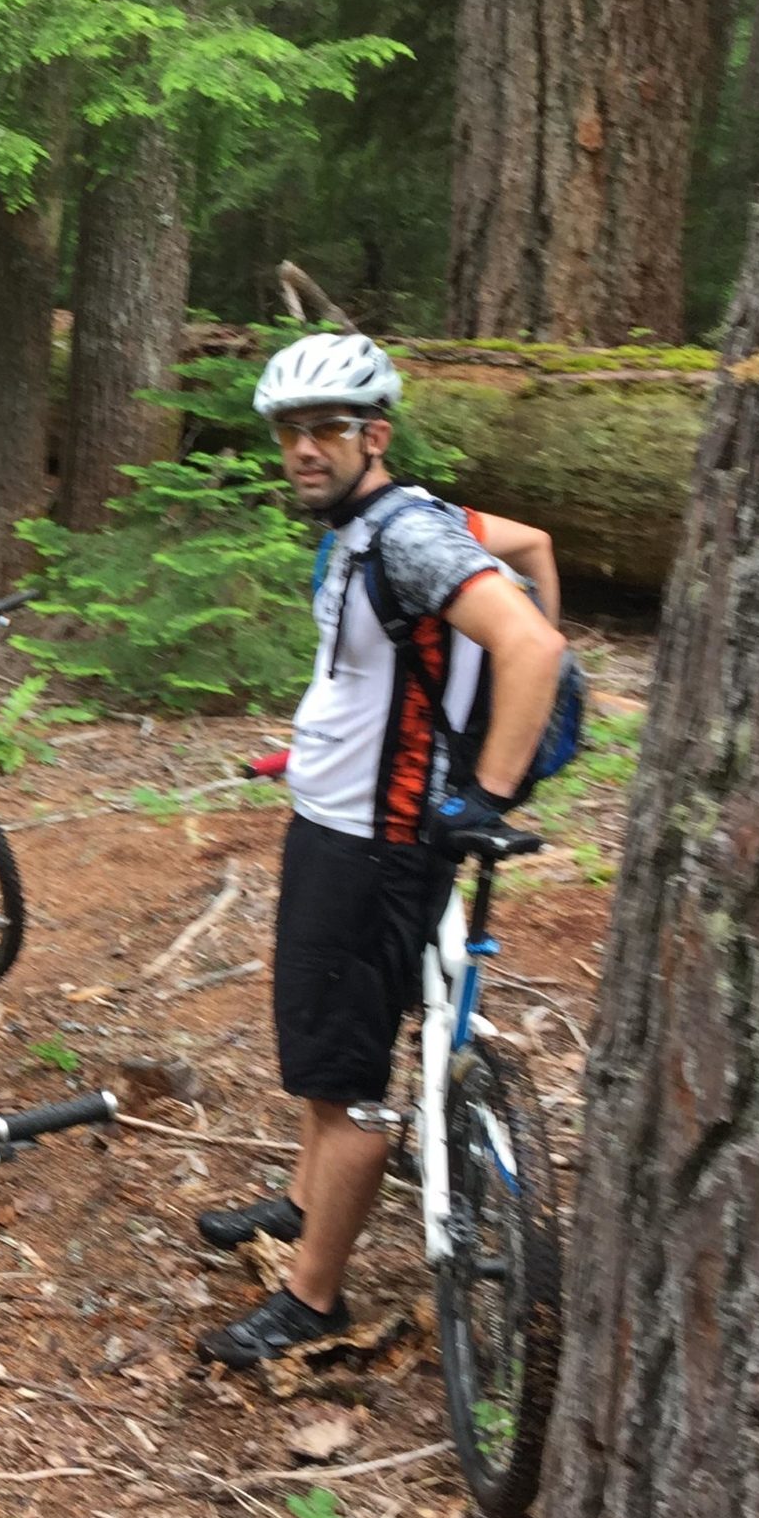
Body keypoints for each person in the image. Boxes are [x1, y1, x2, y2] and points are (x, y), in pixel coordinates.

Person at [196, 332, 570, 1369]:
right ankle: (302, 1206)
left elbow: (532, 642)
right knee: (322, 1056)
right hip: (338, 825)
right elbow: (531, 545)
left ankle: (311, 1299)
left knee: (348, 1076)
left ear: (375, 435)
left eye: (326, 429)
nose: (303, 450)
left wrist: (485, 795)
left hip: (376, 846)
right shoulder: (379, 524)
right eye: (289, 432)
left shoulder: (407, 534)